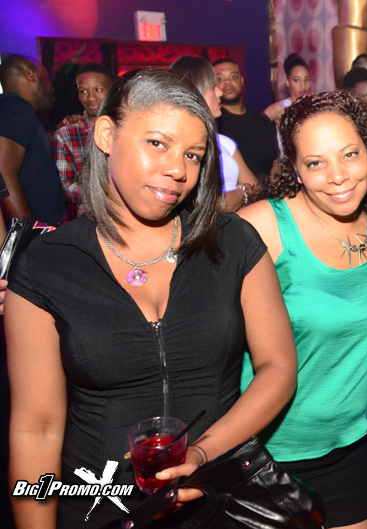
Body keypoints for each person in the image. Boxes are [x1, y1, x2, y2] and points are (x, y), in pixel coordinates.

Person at [7, 69, 297, 529]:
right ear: (107, 134)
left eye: (193, 155)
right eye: (158, 143)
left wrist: (204, 452)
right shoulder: (49, 264)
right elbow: (36, 428)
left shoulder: (233, 241)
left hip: (217, 498)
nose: (178, 170)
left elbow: (278, 368)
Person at [238, 90, 367, 529]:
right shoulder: (263, 226)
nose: (338, 176)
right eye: (315, 163)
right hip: (262, 452)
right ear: (295, 169)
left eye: (350, 154)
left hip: (349, 447)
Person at [170, 56, 259, 212]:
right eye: (212, 87)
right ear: (195, 92)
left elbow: (256, 188)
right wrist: (242, 191)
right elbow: (205, 205)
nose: (219, 92)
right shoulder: (177, 147)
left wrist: (235, 196)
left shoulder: (224, 142)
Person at [0, 54, 66, 226]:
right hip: (35, 236)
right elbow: (2, 172)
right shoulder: (15, 108)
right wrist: (31, 233)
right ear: (31, 76)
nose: (51, 88)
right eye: (47, 78)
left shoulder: (17, 111)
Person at [53, 62, 114, 218]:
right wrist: (106, 191)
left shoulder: (127, 127)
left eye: (98, 90)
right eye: (83, 91)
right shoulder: (67, 134)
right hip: (89, 220)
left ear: (110, 91)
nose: (90, 97)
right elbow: (64, 186)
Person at [213, 57, 279, 177]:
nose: (227, 82)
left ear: (242, 81)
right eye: (220, 78)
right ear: (213, 86)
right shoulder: (212, 123)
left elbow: (275, 164)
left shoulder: (261, 119)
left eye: (233, 77)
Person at [264, 53, 311, 127]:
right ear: (288, 83)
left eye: (306, 80)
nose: (303, 85)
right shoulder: (280, 107)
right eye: (296, 80)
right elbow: (255, 126)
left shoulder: (313, 106)